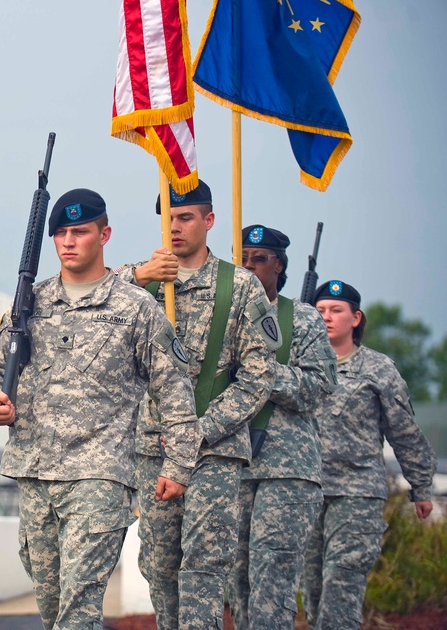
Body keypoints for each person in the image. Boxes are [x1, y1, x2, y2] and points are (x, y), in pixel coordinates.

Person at [0, 188, 200, 630]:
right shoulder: (30, 304)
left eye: (80, 231)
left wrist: (180, 463)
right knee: (52, 604)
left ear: (104, 234)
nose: (69, 241)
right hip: (34, 472)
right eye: (61, 233)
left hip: (99, 474)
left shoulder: (136, 308)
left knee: (78, 609)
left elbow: (174, 391)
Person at [114, 182, 281, 630]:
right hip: (154, 447)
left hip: (215, 446)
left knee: (205, 564)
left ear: (208, 221)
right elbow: (87, 298)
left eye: (185, 217)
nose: (175, 227)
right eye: (168, 217)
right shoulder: (137, 283)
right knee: (159, 563)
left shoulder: (240, 285)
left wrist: (202, 429)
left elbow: (258, 376)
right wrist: (142, 276)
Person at [303, 280, 437, 630]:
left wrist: (421, 487)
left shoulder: (378, 369)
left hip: (357, 492)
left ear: (356, 318)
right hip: (305, 491)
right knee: (312, 590)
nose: (327, 318)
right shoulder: (299, 365)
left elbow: (404, 430)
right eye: (320, 311)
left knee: (342, 581)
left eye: (336, 311)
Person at [227, 225, 337, 630]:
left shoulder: (304, 320)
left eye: (259, 259)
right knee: (236, 584)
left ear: (279, 265)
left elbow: (320, 387)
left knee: (272, 580)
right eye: (242, 259)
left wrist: (263, 373)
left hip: (285, 471)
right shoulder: (221, 318)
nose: (249, 267)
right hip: (231, 465)